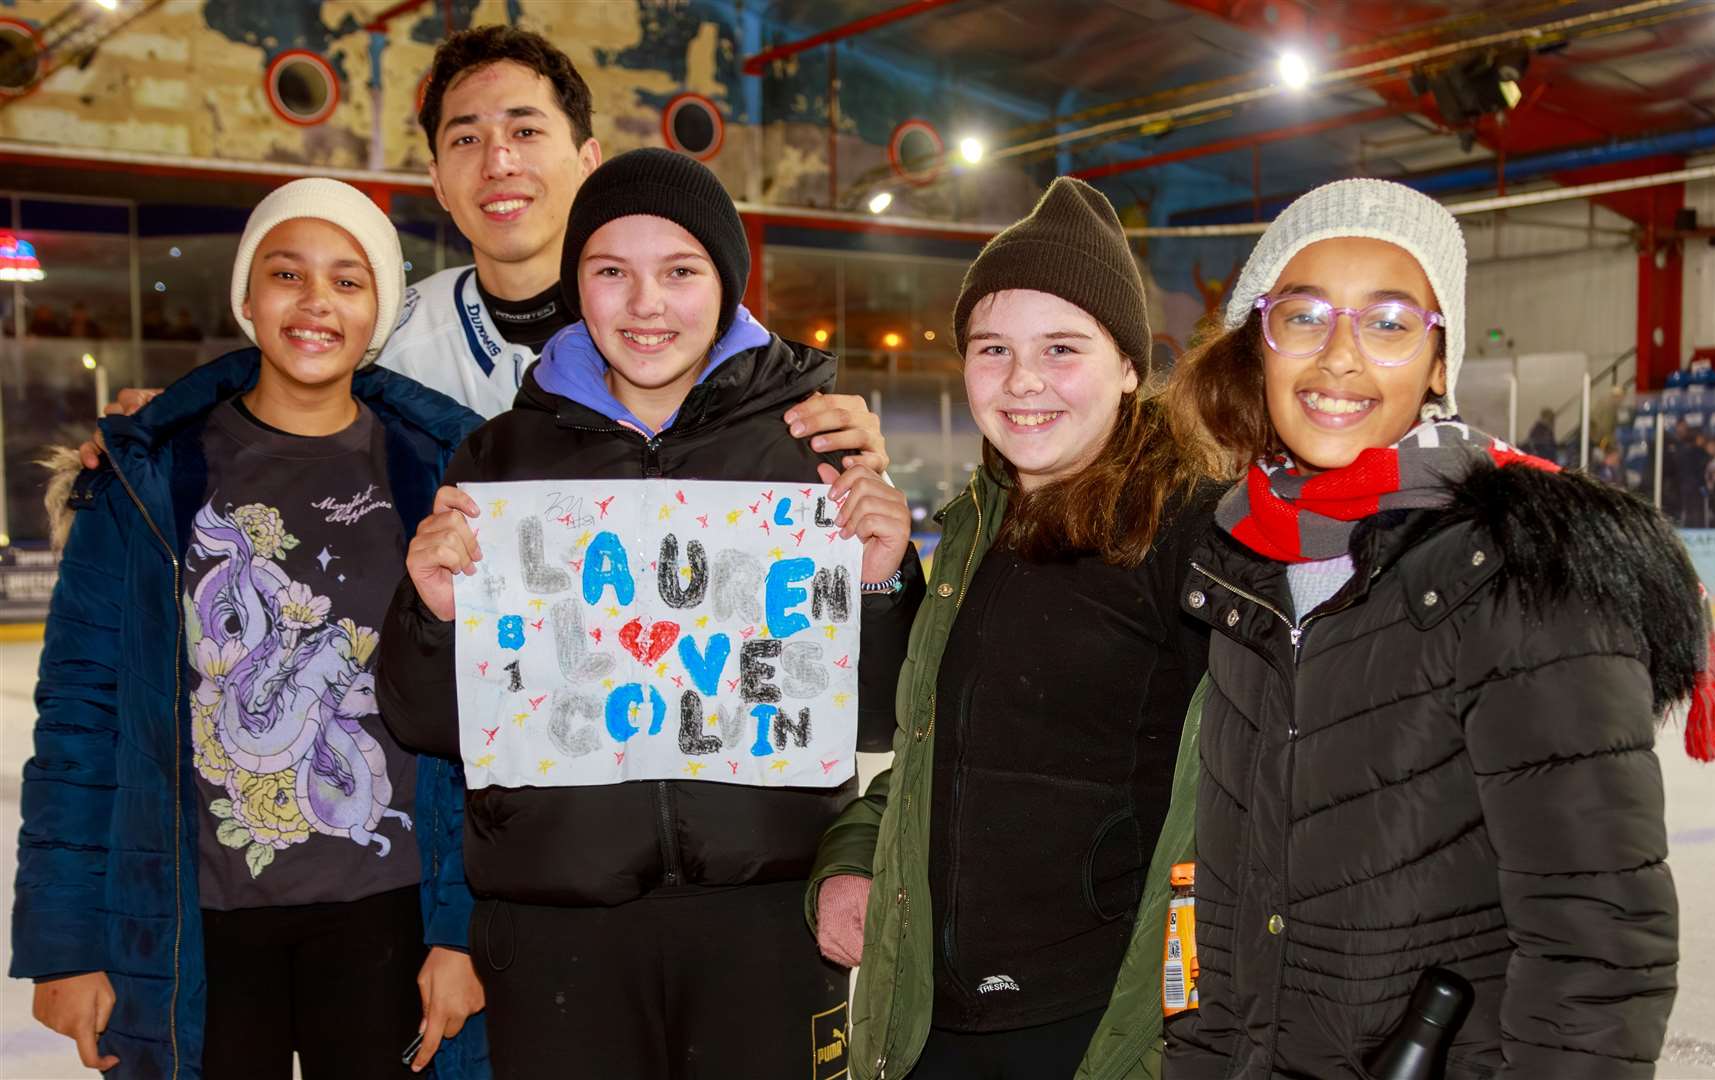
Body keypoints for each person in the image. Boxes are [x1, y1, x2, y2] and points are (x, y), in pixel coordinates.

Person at [1155, 178, 1715, 1078]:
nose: (1339, 357)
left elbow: (1598, 947)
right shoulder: (1244, 568)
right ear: (1256, 348)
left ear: (1438, 361)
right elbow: (1221, 909)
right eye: (1303, 317)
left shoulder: (1526, 571)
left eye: (1388, 323)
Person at [376, 147, 925, 1079]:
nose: (645, 305)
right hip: (558, 928)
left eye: (679, 271)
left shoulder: (812, 447)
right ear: (576, 287)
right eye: (610, 272)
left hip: (764, 918)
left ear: (726, 284)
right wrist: (432, 614)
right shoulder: (501, 458)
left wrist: (878, 580)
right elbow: (426, 720)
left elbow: (878, 714)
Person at [13, 179, 489, 1079]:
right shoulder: (149, 484)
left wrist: (464, 932)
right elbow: (80, 718)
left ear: (379, 310)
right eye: (287, 273)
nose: (316, 303)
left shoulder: (443, 478)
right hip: (203, 923)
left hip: (387, 915)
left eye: (349, 282)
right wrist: (67, 940)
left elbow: (485, 729)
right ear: (247, 296)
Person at [806, 178, 1221, 1080]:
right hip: (932, 1018)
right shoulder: (973, 530)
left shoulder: (1195, 536)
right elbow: (928, 753)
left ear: (1126, 366)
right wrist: (846, 862)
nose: (1023, 381)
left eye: (1061, 348)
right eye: (993, 349)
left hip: (1092, 1028)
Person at [77, 25, 889, 482]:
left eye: (526, 131)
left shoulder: (701, 346)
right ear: (435, 178)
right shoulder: (385, 340)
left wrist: (851, 471)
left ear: (588, 158)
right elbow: (274, 427)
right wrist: (173, 426)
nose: (498, 161)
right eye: (467, 138)